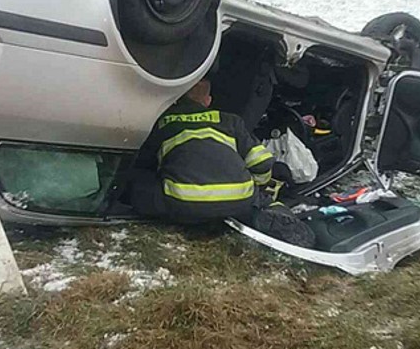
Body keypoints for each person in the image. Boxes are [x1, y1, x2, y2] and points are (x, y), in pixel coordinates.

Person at [129, 79, 315, 246]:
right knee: (263, 202)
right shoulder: (229, 120)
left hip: (182, 203)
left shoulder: (163, 123)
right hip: (238, 200)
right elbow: (262, 162)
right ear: (208, 101)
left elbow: (142, 162)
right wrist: (259, 185)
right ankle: (278, 217)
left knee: (138, 184)